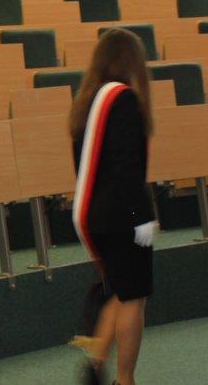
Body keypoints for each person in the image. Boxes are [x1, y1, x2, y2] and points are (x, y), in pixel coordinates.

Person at [70, 27, 157, 385]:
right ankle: (125, 379)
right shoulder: (123, 100)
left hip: (97, 214)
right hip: (123, 217)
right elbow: (126, 167)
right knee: (134, 297)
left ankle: (95, 365)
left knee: (119, 292)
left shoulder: (87, 101)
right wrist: (141, 216)